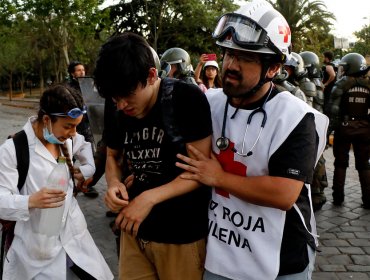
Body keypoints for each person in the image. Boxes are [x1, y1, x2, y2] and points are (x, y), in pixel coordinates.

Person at [175, 0, 328, 279]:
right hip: (219, 254)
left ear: (272, 68)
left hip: (282, 260)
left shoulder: (294, 117)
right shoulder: (208, 102)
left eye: (245, 57)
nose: (230, 65)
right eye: (228, 54)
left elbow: (283, 193)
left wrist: (218, 178)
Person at [94, 32, 212, 280]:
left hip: (180, 236)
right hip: (134, 232)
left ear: (150, 75)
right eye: (115, 98)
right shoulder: (117, 106)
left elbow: (202, 172)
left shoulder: (186, 100)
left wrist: (148, 199)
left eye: (127, 96)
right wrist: (113, 183)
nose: (121, 105)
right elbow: (113, 156)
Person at [0, 84, 113, 279]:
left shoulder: (66, 138)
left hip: (75, 241)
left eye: (76, 125)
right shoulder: (13, 150)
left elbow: (88, 155)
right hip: (36, 254)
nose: (73, 132)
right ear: (46, 120)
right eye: (68, 126)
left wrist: (84, 171)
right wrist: (31, 201)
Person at [328, 53, 370, 209]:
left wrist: (327, 134)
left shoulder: (341, 84)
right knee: (364, 164)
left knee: (340, 163)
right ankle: (368, 199)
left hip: (344, 128)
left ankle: (338, 198)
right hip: (364, 128)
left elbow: (332, 112)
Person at [67, 61, 99, 198]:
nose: (82, 72)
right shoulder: (68, 88)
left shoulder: (88, 86)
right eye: (78, 70)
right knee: (69, 156)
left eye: (83, 69)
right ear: (72, 73)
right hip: (73, 127)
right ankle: (69, 185)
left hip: (86, 125)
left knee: (90, 156)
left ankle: (88, 185)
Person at [322, 50, 337, 116]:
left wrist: (326, 84)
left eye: (323, 57)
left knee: (326, 104)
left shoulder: (328, 66)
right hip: (331, 88)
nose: (323, 58)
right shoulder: (333, 65)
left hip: (328, 88)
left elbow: (333, 75)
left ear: (326, 58)